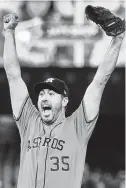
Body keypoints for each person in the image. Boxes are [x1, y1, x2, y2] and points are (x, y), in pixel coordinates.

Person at [2, 9, 125, 188]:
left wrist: (118, 39)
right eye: (42, 93)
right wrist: (9, 32)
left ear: (65, 101)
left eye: (51, 94)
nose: (44, 97)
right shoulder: (29, 121)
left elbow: (99, 82)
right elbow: (13, 75)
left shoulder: (77, 126)